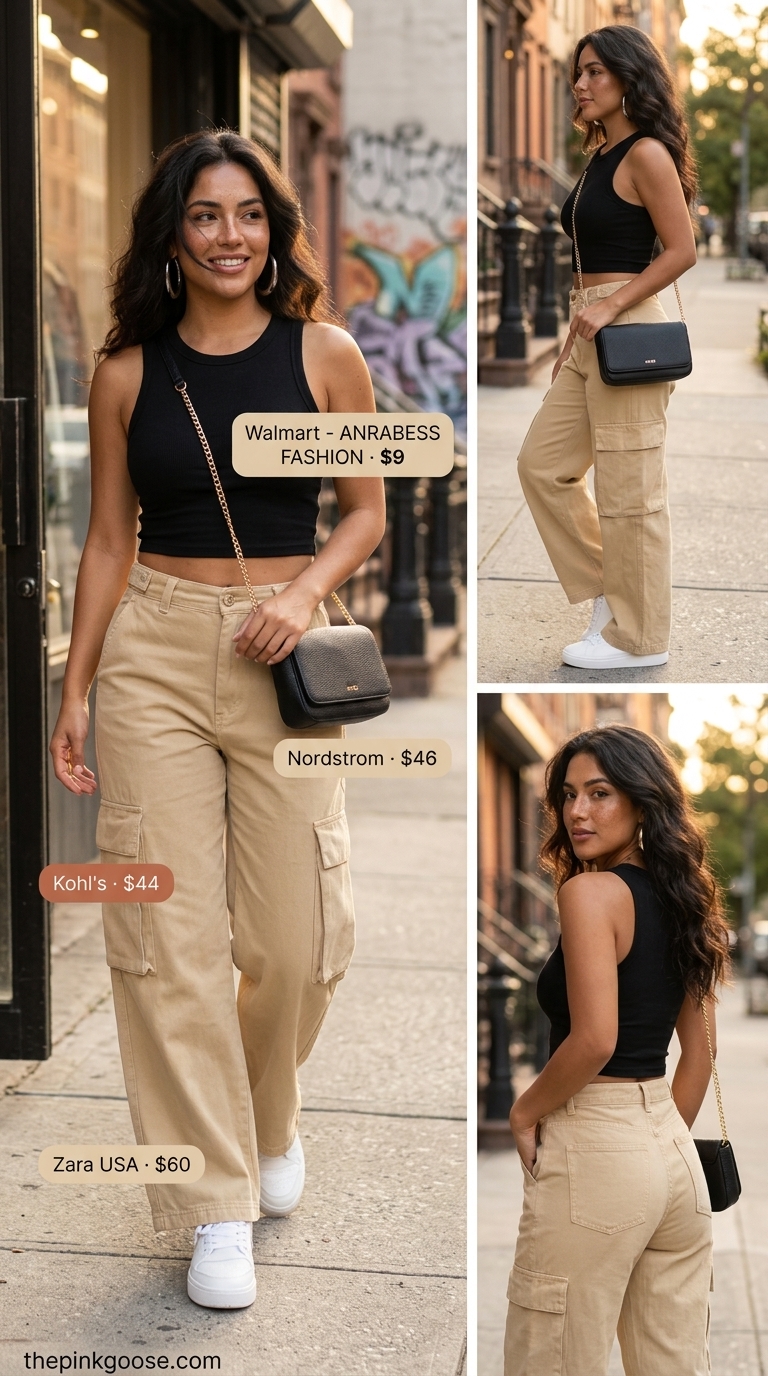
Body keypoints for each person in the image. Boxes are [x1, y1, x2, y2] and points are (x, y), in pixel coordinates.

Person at [49, 130, 385, 1310]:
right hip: (152, 648)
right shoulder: (129, 372)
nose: (230, 235)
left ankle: (265, 1115)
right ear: (174, 234)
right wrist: (78, 684)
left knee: (294, 941)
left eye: (249, 213)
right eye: (205, 215)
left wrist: (298, 595)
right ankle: (212, 1200)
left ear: (273, 228)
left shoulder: (324, 352)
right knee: (167, 943)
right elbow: (104, 540)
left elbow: (364, 509)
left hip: (283, 650)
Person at [504, 724, 731, 1376]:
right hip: (674, 1162)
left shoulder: (590, 893)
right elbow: (700, 1055)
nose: (577, 811)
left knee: (549, 1359)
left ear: (642, 801)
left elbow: (596, 1040)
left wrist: (525, 1111)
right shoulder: (693, 903)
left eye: (600, 793)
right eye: (569, 794)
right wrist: (656, 1149)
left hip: (598, 1152)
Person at [516, 27, 698, 671]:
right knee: (542, 465)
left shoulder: (646, 153)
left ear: (629, 77)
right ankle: (610, 593)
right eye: (578, 73)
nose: (581, 84)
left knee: (631, 492)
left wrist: (610, 307)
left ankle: (640, 639)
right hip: (590, 323)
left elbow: (682, 250)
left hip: (627, 323)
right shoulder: (603, 154)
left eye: (594, 72)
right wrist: (580, 319)